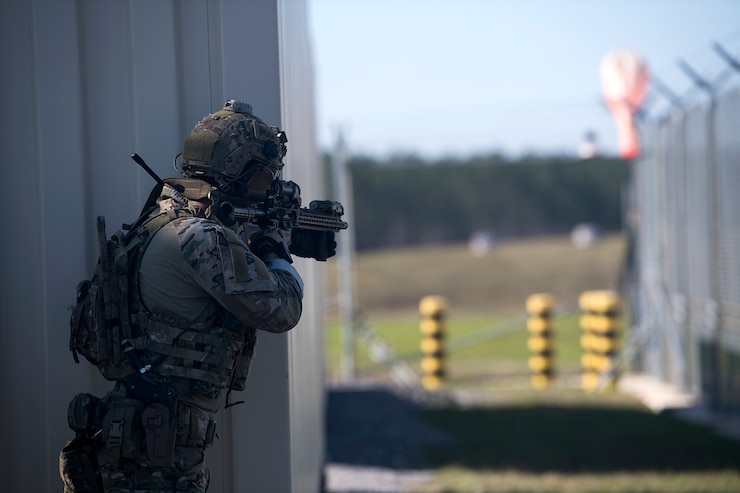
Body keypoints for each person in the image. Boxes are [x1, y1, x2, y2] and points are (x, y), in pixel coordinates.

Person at [60, 100, 327, 492]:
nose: (264, 190)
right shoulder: (200, 237)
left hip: (136, 439)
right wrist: (274, 249)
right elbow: (282, 309)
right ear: (236, 173)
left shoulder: (158, 220)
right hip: (155, 455)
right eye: (261, 180)